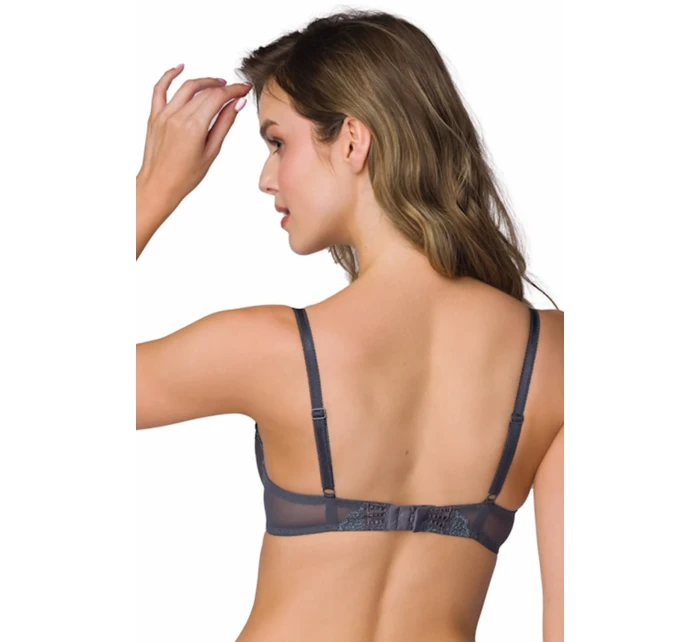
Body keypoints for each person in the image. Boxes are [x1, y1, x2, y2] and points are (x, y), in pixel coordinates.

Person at [136, 9, 563, 642]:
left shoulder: (271, 350)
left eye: (278, 143)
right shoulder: (555, 357)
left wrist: (151, 189)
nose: (266, 178)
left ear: (353, 142)